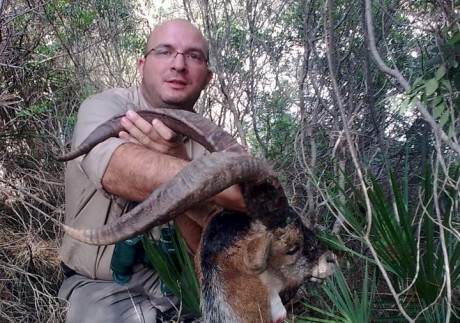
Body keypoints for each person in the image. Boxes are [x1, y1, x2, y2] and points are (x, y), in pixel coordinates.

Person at [58, 19, 245, 323]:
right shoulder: (105, 107)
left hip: (184, 289)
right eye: (164, 51)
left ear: (207, 77)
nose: (178, 64)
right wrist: (223, 190)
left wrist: (175, 156)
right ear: (141, 64)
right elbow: (116, 170)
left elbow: (219, 245)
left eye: (193, 56)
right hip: (100, 286)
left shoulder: (217, 141)